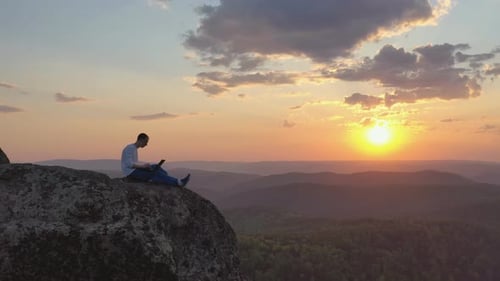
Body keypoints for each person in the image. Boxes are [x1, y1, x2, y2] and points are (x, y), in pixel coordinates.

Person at [121, 133, 190, 187]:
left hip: (134, 170)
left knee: (156, 167)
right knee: (155, 173)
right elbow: (129, 164)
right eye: (145, 142)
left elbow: (133, 163)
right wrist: (143, 166)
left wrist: (145, 166)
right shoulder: (130, 148)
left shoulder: (134, 148)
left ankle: (165, 177)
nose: (146, 144)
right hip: (131, 173)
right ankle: (178, 182)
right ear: (141, 140)